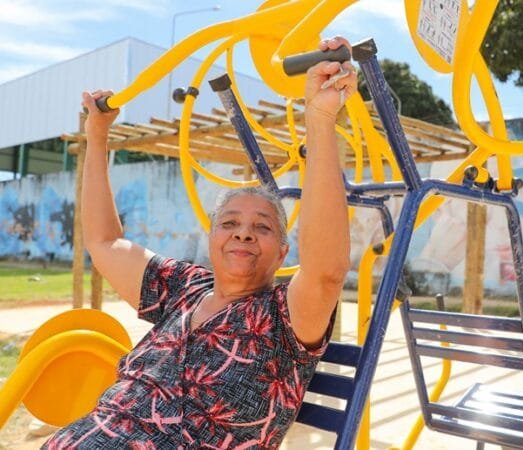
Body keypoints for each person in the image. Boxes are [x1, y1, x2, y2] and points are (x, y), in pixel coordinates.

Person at [43, 37, 355, 449]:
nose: (243, 232)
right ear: (211, 240)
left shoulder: (284, 319)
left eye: (262, 227)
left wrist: (318, 117)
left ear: (283, 253)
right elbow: (104, 242)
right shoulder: (185, 287)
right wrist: (97, 136)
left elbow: (326, 271)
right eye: (229, 222)